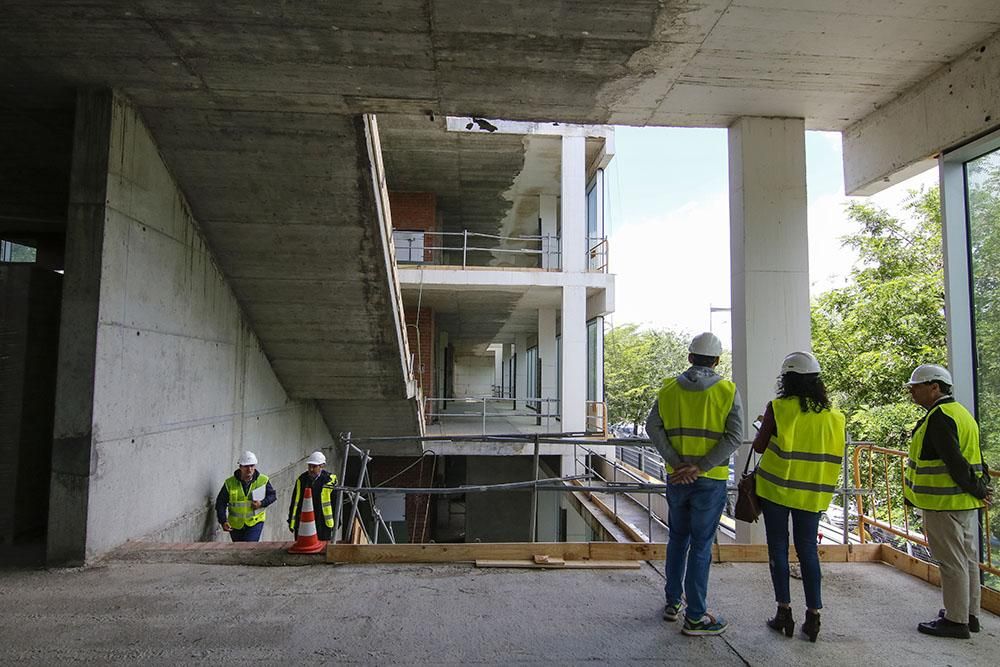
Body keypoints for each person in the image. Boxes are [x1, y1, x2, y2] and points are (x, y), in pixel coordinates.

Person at [646, 332, 743, 636]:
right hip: (709, 480)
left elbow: (653, 426)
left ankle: (673, 603)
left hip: (677, 478)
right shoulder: (727, 390)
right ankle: (696, 616)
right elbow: (735, 436)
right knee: (701, 547)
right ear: (717, 360)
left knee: (677, 539)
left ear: (689, 357)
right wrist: (700, 467)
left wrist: (677, 464)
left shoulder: (669, 389)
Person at [751, 351, 845, 642]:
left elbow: (759, 447)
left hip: (777, 490)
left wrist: (762, 425)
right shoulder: (834, 417)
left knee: (778, 549)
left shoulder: (778, 408)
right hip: (813, 494)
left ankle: (783, 613)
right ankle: (814, 616)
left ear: (786, 380)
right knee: (808, 552)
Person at [904, 364, 992, 639]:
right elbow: (973, 455)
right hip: (962, 503)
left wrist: (978, 488)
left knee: (951, 562)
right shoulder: (960, 413)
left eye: (916, 388)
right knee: (966, 560)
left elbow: (954, 461)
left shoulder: (940, 417)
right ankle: (969, 614)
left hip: (944, 504)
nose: (912, 393)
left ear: (935, 387)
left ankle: (956, 621)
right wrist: (979, 487)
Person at [215, 450, 276, 542]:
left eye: (252, 466)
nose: (249, 469)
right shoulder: (230, 483)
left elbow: (272, 496)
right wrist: (223, 521)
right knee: (239, 550)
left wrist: (262, 503)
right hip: (236, 525)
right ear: (240, 467)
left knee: (249, 547)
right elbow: (221, 503)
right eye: (246, 466)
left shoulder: (263, 480)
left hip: (255, 522)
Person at [288, 450, 339, 542]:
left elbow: (336, 504)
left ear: (322, 466)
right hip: (304, 520)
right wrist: (292, 522)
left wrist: (337, 522)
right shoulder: (302, 480)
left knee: (322, 549)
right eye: (309, 466)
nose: (311, 469)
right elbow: (295, 502)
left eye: (314, 466)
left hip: (323, 522)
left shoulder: (330, 480)